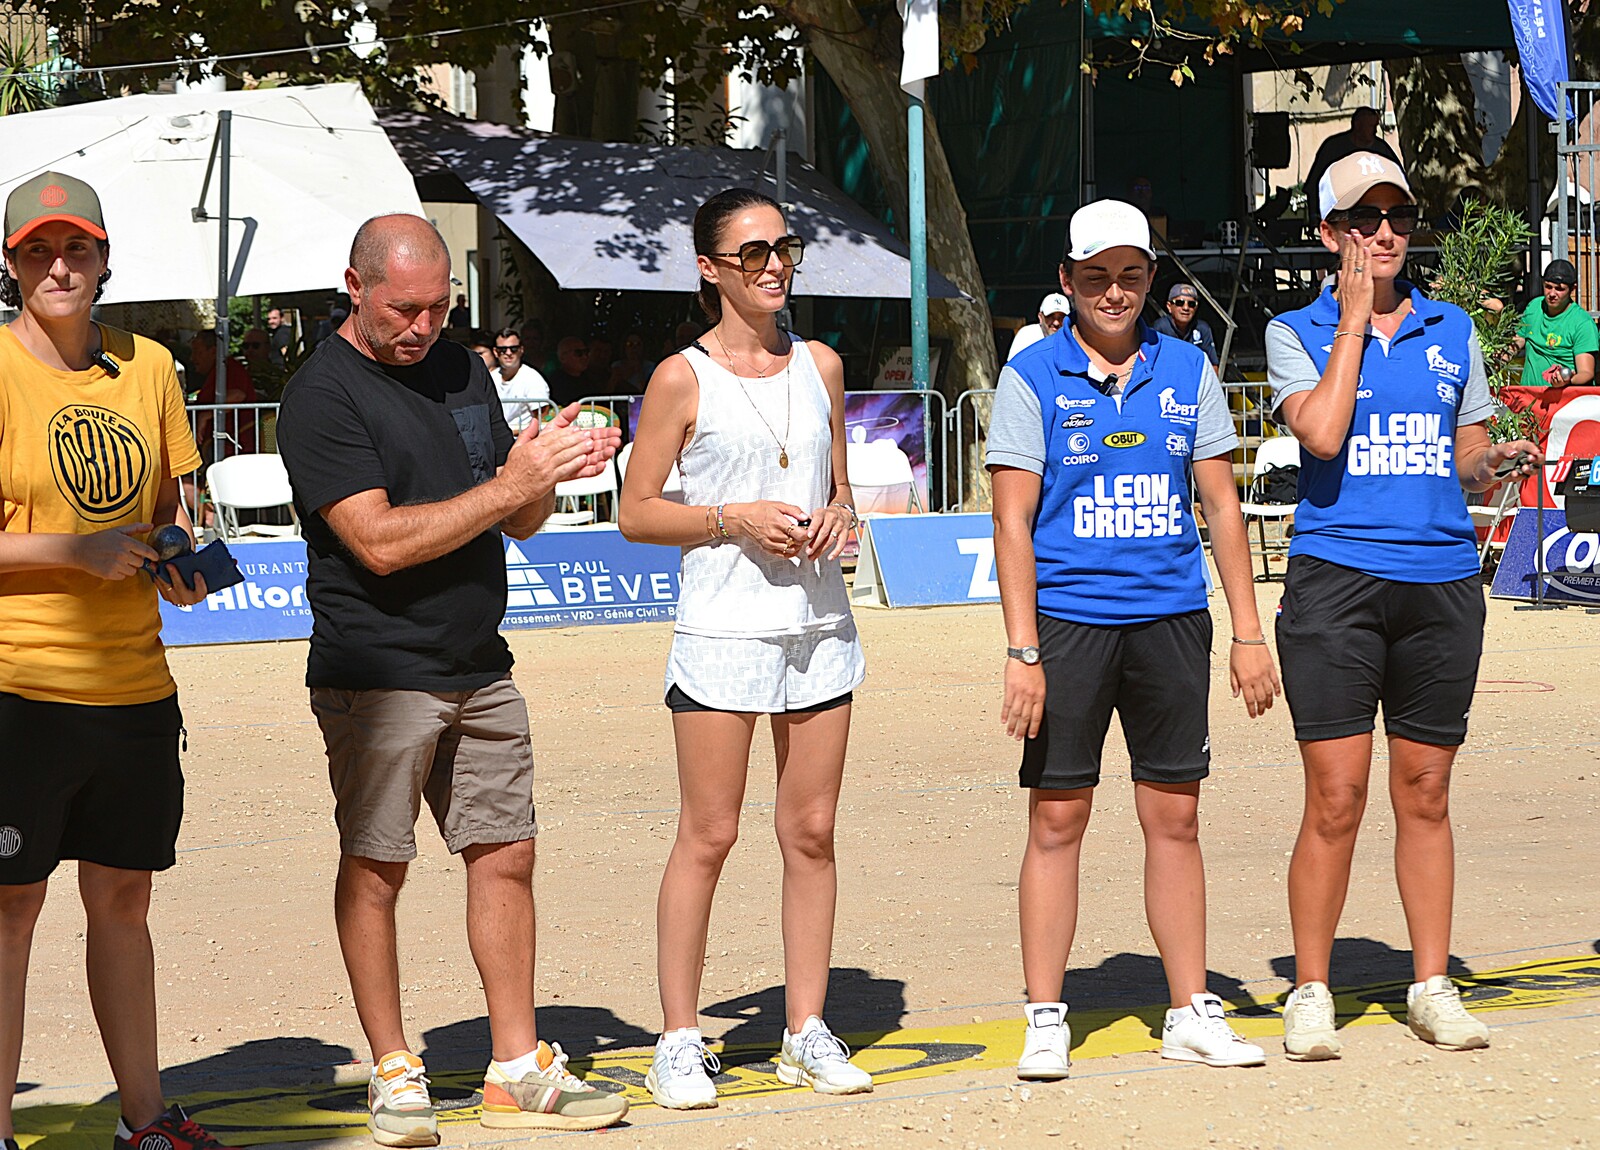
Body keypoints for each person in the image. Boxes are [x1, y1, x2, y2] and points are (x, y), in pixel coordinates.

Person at [275, 214, 627, 1143]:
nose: (423, 326)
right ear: (354, 287)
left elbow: (518, 520)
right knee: (377, 865)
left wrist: (548, 469)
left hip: (481, 660)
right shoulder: (321, 395)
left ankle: (515, 1066)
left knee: (506, 854)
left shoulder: (465, 370)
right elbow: (378, 543)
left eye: (439, 307)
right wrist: (512, 487)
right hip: (379, 669)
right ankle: (394, 1068)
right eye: (404, 309)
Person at [987, 198, 1279, 1081]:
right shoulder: (1031, 376)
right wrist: (1023, 651)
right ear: (1067, 281)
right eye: (1095, 277)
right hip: (1069, 626)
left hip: (1171, 622)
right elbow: (1011, 521)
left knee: (1176, 817)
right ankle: (1046, 1016)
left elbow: (1221, 505)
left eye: (1130, 274)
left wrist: (1248, 632)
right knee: (1058, 817)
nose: (1114, 292)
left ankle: (1190, 1009)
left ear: (1152, 277)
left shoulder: (1188, 368)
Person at [1266, 152, 1542, 1061]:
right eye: (1363, 218)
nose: (1385, 232)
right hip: (1336, 582)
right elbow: (1321, 433)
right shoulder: (1294, 329)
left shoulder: (1451, 328)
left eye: (1398, 216)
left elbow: (1462, 454)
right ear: (1328, 234)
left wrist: (1493, 460)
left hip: (1440, 581)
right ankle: (1312, 990)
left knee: (1426, 791)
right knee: (1336, 796)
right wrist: (1352, 323)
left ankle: (1431, 985)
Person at [619, 187, 873, 1110]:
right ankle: (679, 1039)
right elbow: (636, 512)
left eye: (785, 248)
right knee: (710, 833)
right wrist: (733, 519)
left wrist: (838, 516)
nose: (775, 266)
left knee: (811, 832)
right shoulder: (680, 378)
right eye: (754, 252)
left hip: (818, 628)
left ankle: (806, 1028)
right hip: (723, 630)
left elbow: (839, 487)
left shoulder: (822, 364)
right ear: (710, 268)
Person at [0, 171, 229, 1150]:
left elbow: (169, 510)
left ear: (103, 259)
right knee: (11, 907)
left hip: (134, 688)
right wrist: (73, 551)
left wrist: (178, 561)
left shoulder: (151, 367)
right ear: (11, 265)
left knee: (125, 901)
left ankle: (146, 1120)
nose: (59, 267)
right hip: (19, 688)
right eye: (38, 251)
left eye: (77, 248)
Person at [1303, 108, 1400, 224]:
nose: (1375, 131)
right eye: (1371, 126)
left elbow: (1398, 179)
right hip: (1341, 215)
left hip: (1373, 216)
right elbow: (1315, 184)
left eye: (1375, 126)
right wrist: (1314, 216)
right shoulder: (1333, 147)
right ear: (1357, 125)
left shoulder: (1382, 150)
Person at [1514, 259, 1597, 389]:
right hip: (1529, 396)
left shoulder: (1582, 323)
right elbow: (1519, 339)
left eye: (1559, 289)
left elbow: (1586, 372)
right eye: (1548, 287)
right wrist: (1502, 356)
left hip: (1563, 398)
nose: (1552, 294)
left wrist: (1568, 380)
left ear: (1573, 289)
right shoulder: (1534, 307)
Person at [491, 326, 550, 431]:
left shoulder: (533, 378)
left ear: (521, 350)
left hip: (523, 436)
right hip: (495, 436)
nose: (508, 353)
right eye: (502, 350)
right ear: (495, 352)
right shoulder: (490, 377)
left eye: (513, 349)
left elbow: (542, 417)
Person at [1151, 283, 1219, 367]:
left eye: (1191, 304)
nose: (1186, 308)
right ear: (1169, 306)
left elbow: (1212, 364)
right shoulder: (1160, 328)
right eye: (1180, 303)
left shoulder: (1202, 329)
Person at [1005, 293, 1069, 361]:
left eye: (1061, 317)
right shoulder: (1026, 335)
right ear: (1040, 317)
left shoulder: (1073, 337)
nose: (1056, 323)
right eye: (1050, 316)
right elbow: (1012, 366)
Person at [239, 326, 287, 400]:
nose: (250, 350)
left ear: (268, 347)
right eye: (246, 346)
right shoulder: (240, 374)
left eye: (255, 346)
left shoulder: (279, 375)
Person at [549, 336, 591, 407]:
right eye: (578, 353)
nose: (584, 357)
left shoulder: (589, 378)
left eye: (586, 352)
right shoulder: (555, 382)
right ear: (563, 358)